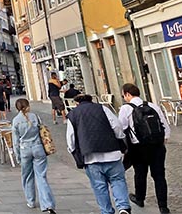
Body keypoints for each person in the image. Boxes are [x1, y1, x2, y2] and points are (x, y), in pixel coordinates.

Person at [67, 94, 131, 214]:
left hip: (91, 157)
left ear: (77, 103)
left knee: (99, 187)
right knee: (118, 180)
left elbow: (70, 139)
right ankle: (123, 207)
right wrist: (120, 139)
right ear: (92, 100)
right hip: (112, 152)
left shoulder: (73, 114)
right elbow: (116, 126)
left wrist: (74, 151)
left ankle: (106, 211)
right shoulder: (102, 108)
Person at [118, 83, 171, 214]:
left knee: (140, 173)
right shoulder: (152, 106)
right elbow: (165, 126)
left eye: (124, 95)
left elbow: (120, 129)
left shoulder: (126, 108)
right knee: (159, 175)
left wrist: (123, 148)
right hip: (157, 146)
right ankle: (163, 206)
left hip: (138, 147)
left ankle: (140, 198)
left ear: (128, 94)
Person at [12, 99, 57, 214]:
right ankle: (47, 204)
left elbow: (15, 141)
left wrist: (17, 157)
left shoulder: (16, 120)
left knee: (27, 176)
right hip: (38, 148)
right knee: (41, 176)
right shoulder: (35, 117)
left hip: (25, 150)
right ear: (28, 106)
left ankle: (31, 201)